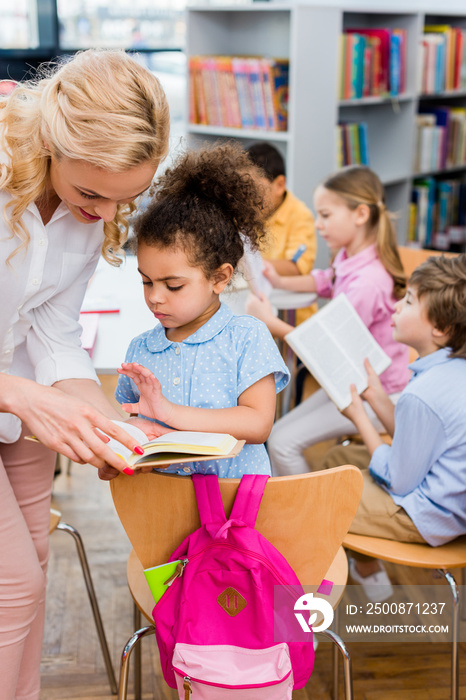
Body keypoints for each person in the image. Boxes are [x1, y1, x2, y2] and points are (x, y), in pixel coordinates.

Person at [0, 49, 170, 700]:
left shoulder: (88, 212)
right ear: (50, 141)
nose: (103, 215)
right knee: (14, 584)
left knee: (33, 571)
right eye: (92, 192)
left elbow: (54, 329)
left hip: (21, 409)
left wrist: (98, 423)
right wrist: (20, 394)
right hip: (17, 398)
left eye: (123, 199)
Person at [115, 143, 290, 478]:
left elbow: (257, 423)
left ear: (219, 277)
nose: (155, 297)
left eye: (173, 285)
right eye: (146, 282)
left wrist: (171, 414)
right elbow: (136, 420)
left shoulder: (246, 337)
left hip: (235, 511)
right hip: (160, 508)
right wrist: (128, 443)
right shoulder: (141, 349)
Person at [246, 165, 410, 475]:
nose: (318, 225)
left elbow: (326, 349)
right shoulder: (352, 256)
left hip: (378, 392)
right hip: (352, 381)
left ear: (360, 215)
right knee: (278, 432)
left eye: (325, 215)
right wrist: (280, 280)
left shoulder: (368, 283)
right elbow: (327, 280)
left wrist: (269, 321)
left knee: (281, 442)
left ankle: (309, 514)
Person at [338, 255, 466, 600]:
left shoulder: (424, 393)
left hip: (427, 516)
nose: (395, 306)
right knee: (336, 457)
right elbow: (420, 443)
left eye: (408, 300)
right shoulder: (452, 373)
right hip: (448, 503)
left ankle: (307, 618)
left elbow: (399, 479)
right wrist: (379, 400)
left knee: (319, 496)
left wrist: (360, 417)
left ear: (439, 327)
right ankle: (366, 570)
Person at [246, 142, 317, 323]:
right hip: (256, 307)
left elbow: (296, 268)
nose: (247, 199)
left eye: (254, 191)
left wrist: (249, 263)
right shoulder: (245, 212)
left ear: (279, 185)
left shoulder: (300, 216)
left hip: (292, 316)